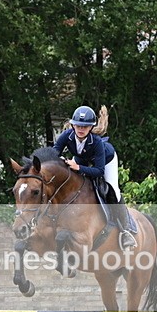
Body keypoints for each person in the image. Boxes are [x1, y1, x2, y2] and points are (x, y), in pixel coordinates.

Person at [53, 105, 136, 249]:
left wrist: (78, 167)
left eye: (85, 127)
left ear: (91, 128)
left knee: (113, 190)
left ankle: (126, 230)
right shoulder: (67, 136)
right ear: (73, 125)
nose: (81, 129)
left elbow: (98, 171)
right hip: (83, 159)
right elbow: (53, 153)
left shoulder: (96, 142)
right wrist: (59, 160)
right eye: (78, 126)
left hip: (106, 160)